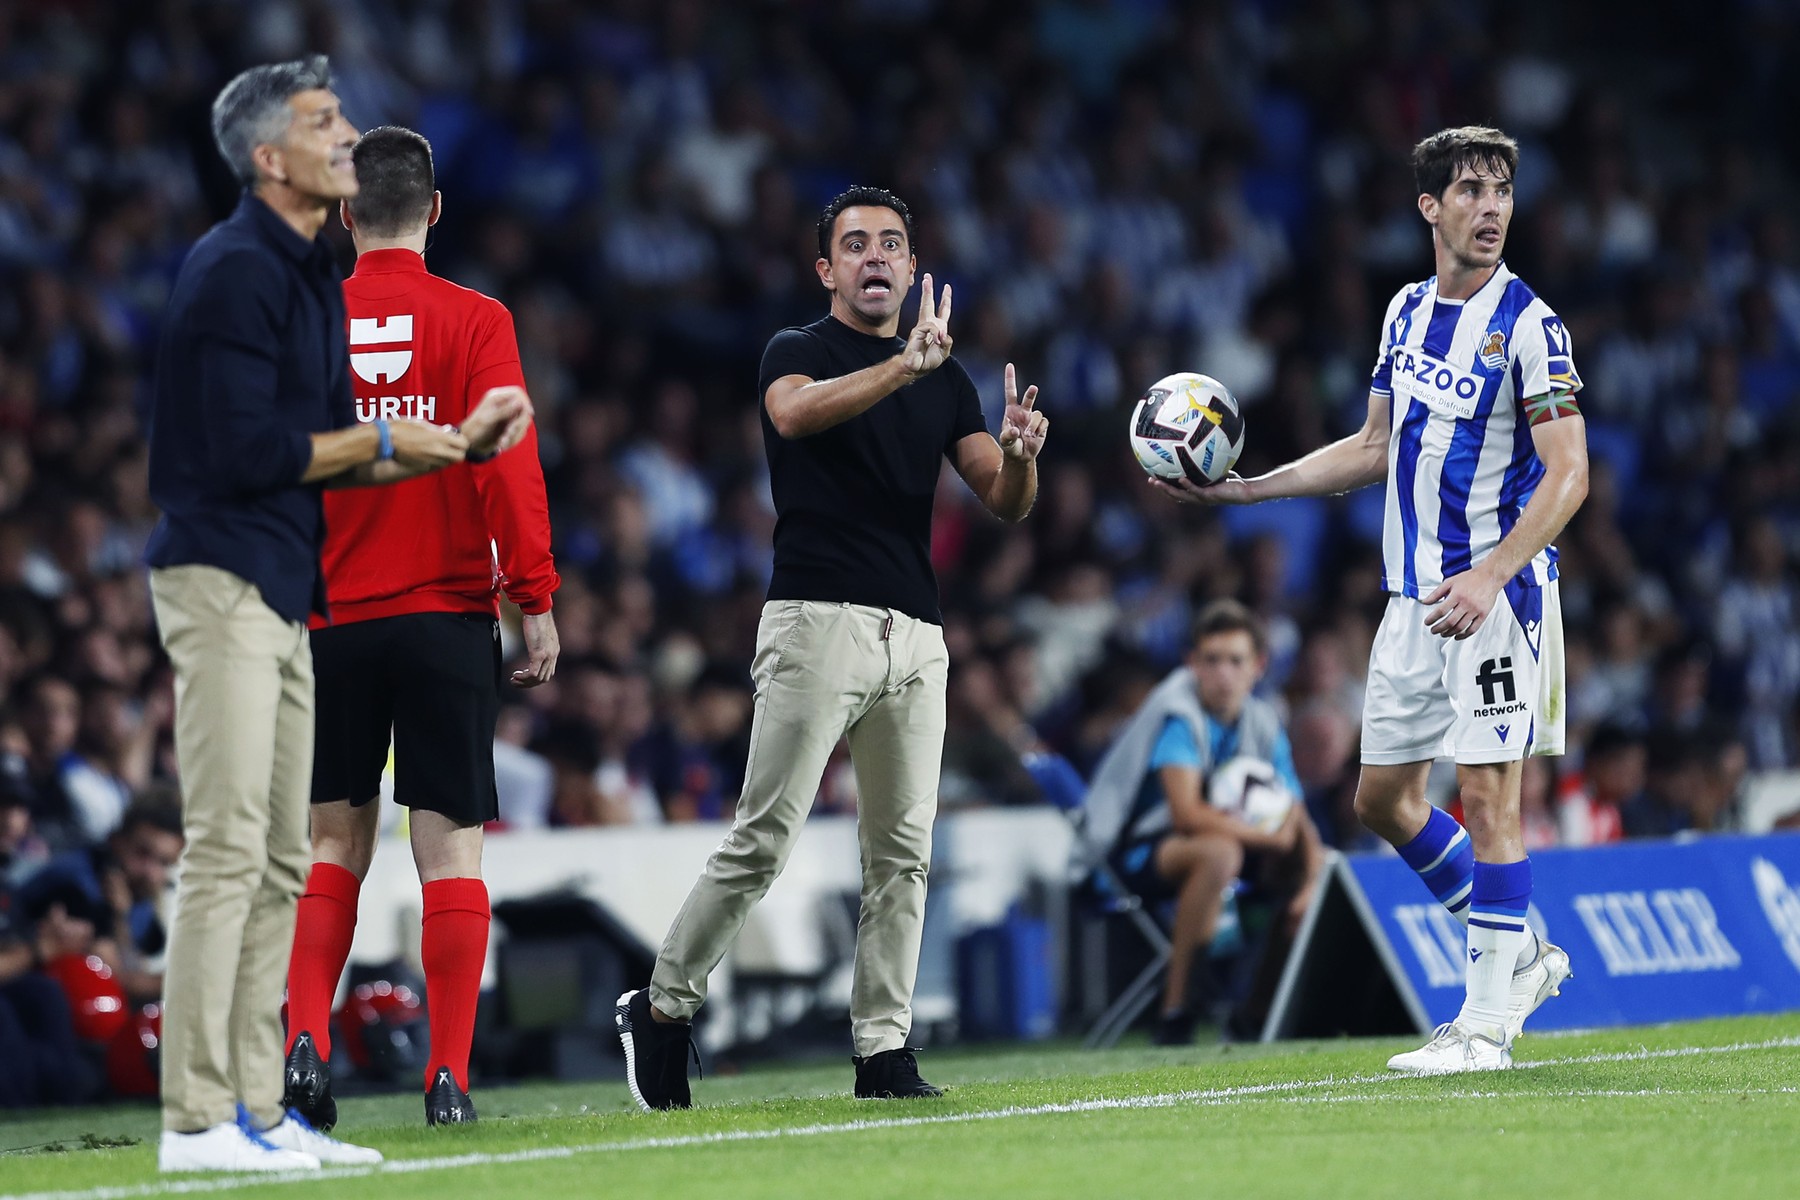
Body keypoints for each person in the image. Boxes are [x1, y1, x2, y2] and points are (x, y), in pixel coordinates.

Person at [144, 58, 530, 1173]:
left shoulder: (309, 282)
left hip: (298, 596)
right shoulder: (231, 275)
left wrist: (455, 445)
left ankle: (263, 1110)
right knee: (231, 851)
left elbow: (342, 454)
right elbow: (245, 452)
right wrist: (414, 443)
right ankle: (197, 1122)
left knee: (284, 854)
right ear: (273, 158)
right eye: (325, 122)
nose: (348, 135)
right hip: (224, 580)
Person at [1160, 127, 1588, 1074]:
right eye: (1471, 190)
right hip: (1410, 600)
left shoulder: (1531, 324)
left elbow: (1570, 476)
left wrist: (1488, 574)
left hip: (1498, 596)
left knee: (1488, 797)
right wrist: (1246, 489)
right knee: (1382, 799)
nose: (1491, 207)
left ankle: (1483, 1027)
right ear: (1429, 207)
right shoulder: (1403, 311)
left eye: (1503, 191)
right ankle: (1519, 952)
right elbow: (1371, 448)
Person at [615, 185, 1048, 1107]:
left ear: (913, 264)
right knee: (765, 837)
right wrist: (903, 368)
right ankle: (661, 1005)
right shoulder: (797, 351)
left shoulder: (945, 378)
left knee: (903, 855)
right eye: (856, 246)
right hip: (815, 623)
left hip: (916, 635)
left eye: (892, 244)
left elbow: (1003, 502)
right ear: (827, 270)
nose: (876, 258)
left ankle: (882, 1051)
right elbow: (796, 416)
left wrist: (1019, 453)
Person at [280, 124, 560, 1131]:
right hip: (444, 615)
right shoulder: (477, 318)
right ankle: (447, 1077)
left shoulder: (305, 322)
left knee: (329, 844)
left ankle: (305, 1044)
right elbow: (508, 467)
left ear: (345, 214)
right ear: (435, 209)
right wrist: (534, 602)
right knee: (450, 853)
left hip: (331, 617)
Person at [1084, 600, 1323, 1045]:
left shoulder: (1264, 719)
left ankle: (1254, 1015)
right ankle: (1176, 1014)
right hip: (1140, 851)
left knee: (1317, 868)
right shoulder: (1180, 715)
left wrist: (1310, 878)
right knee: (1220, 852)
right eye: (1211, 661)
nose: (1223, 674)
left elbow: (1294, 810)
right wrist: (1269, 836)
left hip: (1234, 849)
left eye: (1236, 661)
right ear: (1190, 663)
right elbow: (1186, 814)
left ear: (1259, 666)